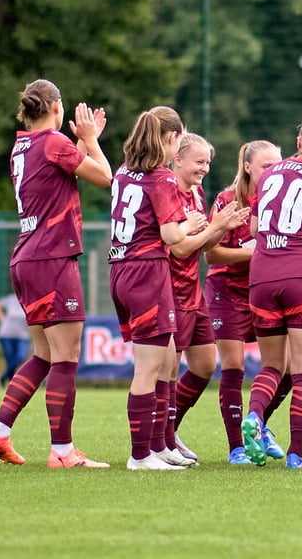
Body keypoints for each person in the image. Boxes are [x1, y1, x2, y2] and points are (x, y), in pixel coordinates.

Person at [0, 78, 112, 468]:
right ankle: (62, 451)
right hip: (51, 258)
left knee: (43, 353)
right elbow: (104, 177)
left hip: (27, 256)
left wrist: (84, 142)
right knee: (67, 355)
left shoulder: (23, 145)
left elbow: (63, 173)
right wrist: (92, 140)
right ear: (56, 107)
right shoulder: (54, 142)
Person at [107, 105, 207, 471]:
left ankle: (161, 446)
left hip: (121, 269)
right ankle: (140, 455)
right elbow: (169, 235)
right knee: (149, 368)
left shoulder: (123, 173)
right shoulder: (161, 177)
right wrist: (191, 225)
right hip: (146, 272)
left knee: (166, 361)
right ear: (170, 138)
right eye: (178, 139)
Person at [240, 111, 302, 469]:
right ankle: (295, 455)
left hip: (262, 276)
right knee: (301, 372)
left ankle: (254, 414)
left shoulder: (268, 175)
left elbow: (253, 229)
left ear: (299, 141)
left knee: (270, 365)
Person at [204, 140, 292, 465]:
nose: (274, 171)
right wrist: (251, 252)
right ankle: (235, 449)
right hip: (227, 291)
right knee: (234, 366)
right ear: (247, 167)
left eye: (277, 164)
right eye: (267, 166)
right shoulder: (229, 200)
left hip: (265, 292)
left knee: (290, 368)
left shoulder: (284, 199)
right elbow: (211, 253)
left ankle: (257, 424)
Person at [166, 133, 249, 465]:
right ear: (178, 159)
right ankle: (159, 443)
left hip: (192, 289)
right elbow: (179, 246)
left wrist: (218, 227)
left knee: (203, 365)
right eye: (199, 161)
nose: (205, 168)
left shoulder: (198, 193)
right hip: (167, 289)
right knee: (166, 370)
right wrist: (218, 226)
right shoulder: (167, 191)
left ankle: (168, 433)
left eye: (208, 162)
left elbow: (202, 245)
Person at [0, 293, 30, 388]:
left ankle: (2, 376)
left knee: (21, 356)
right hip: (7, 334)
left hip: (22, 335)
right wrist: (3, 319)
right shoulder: (11, 299)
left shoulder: (30, 300)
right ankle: (11, 384)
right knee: (10, 359)